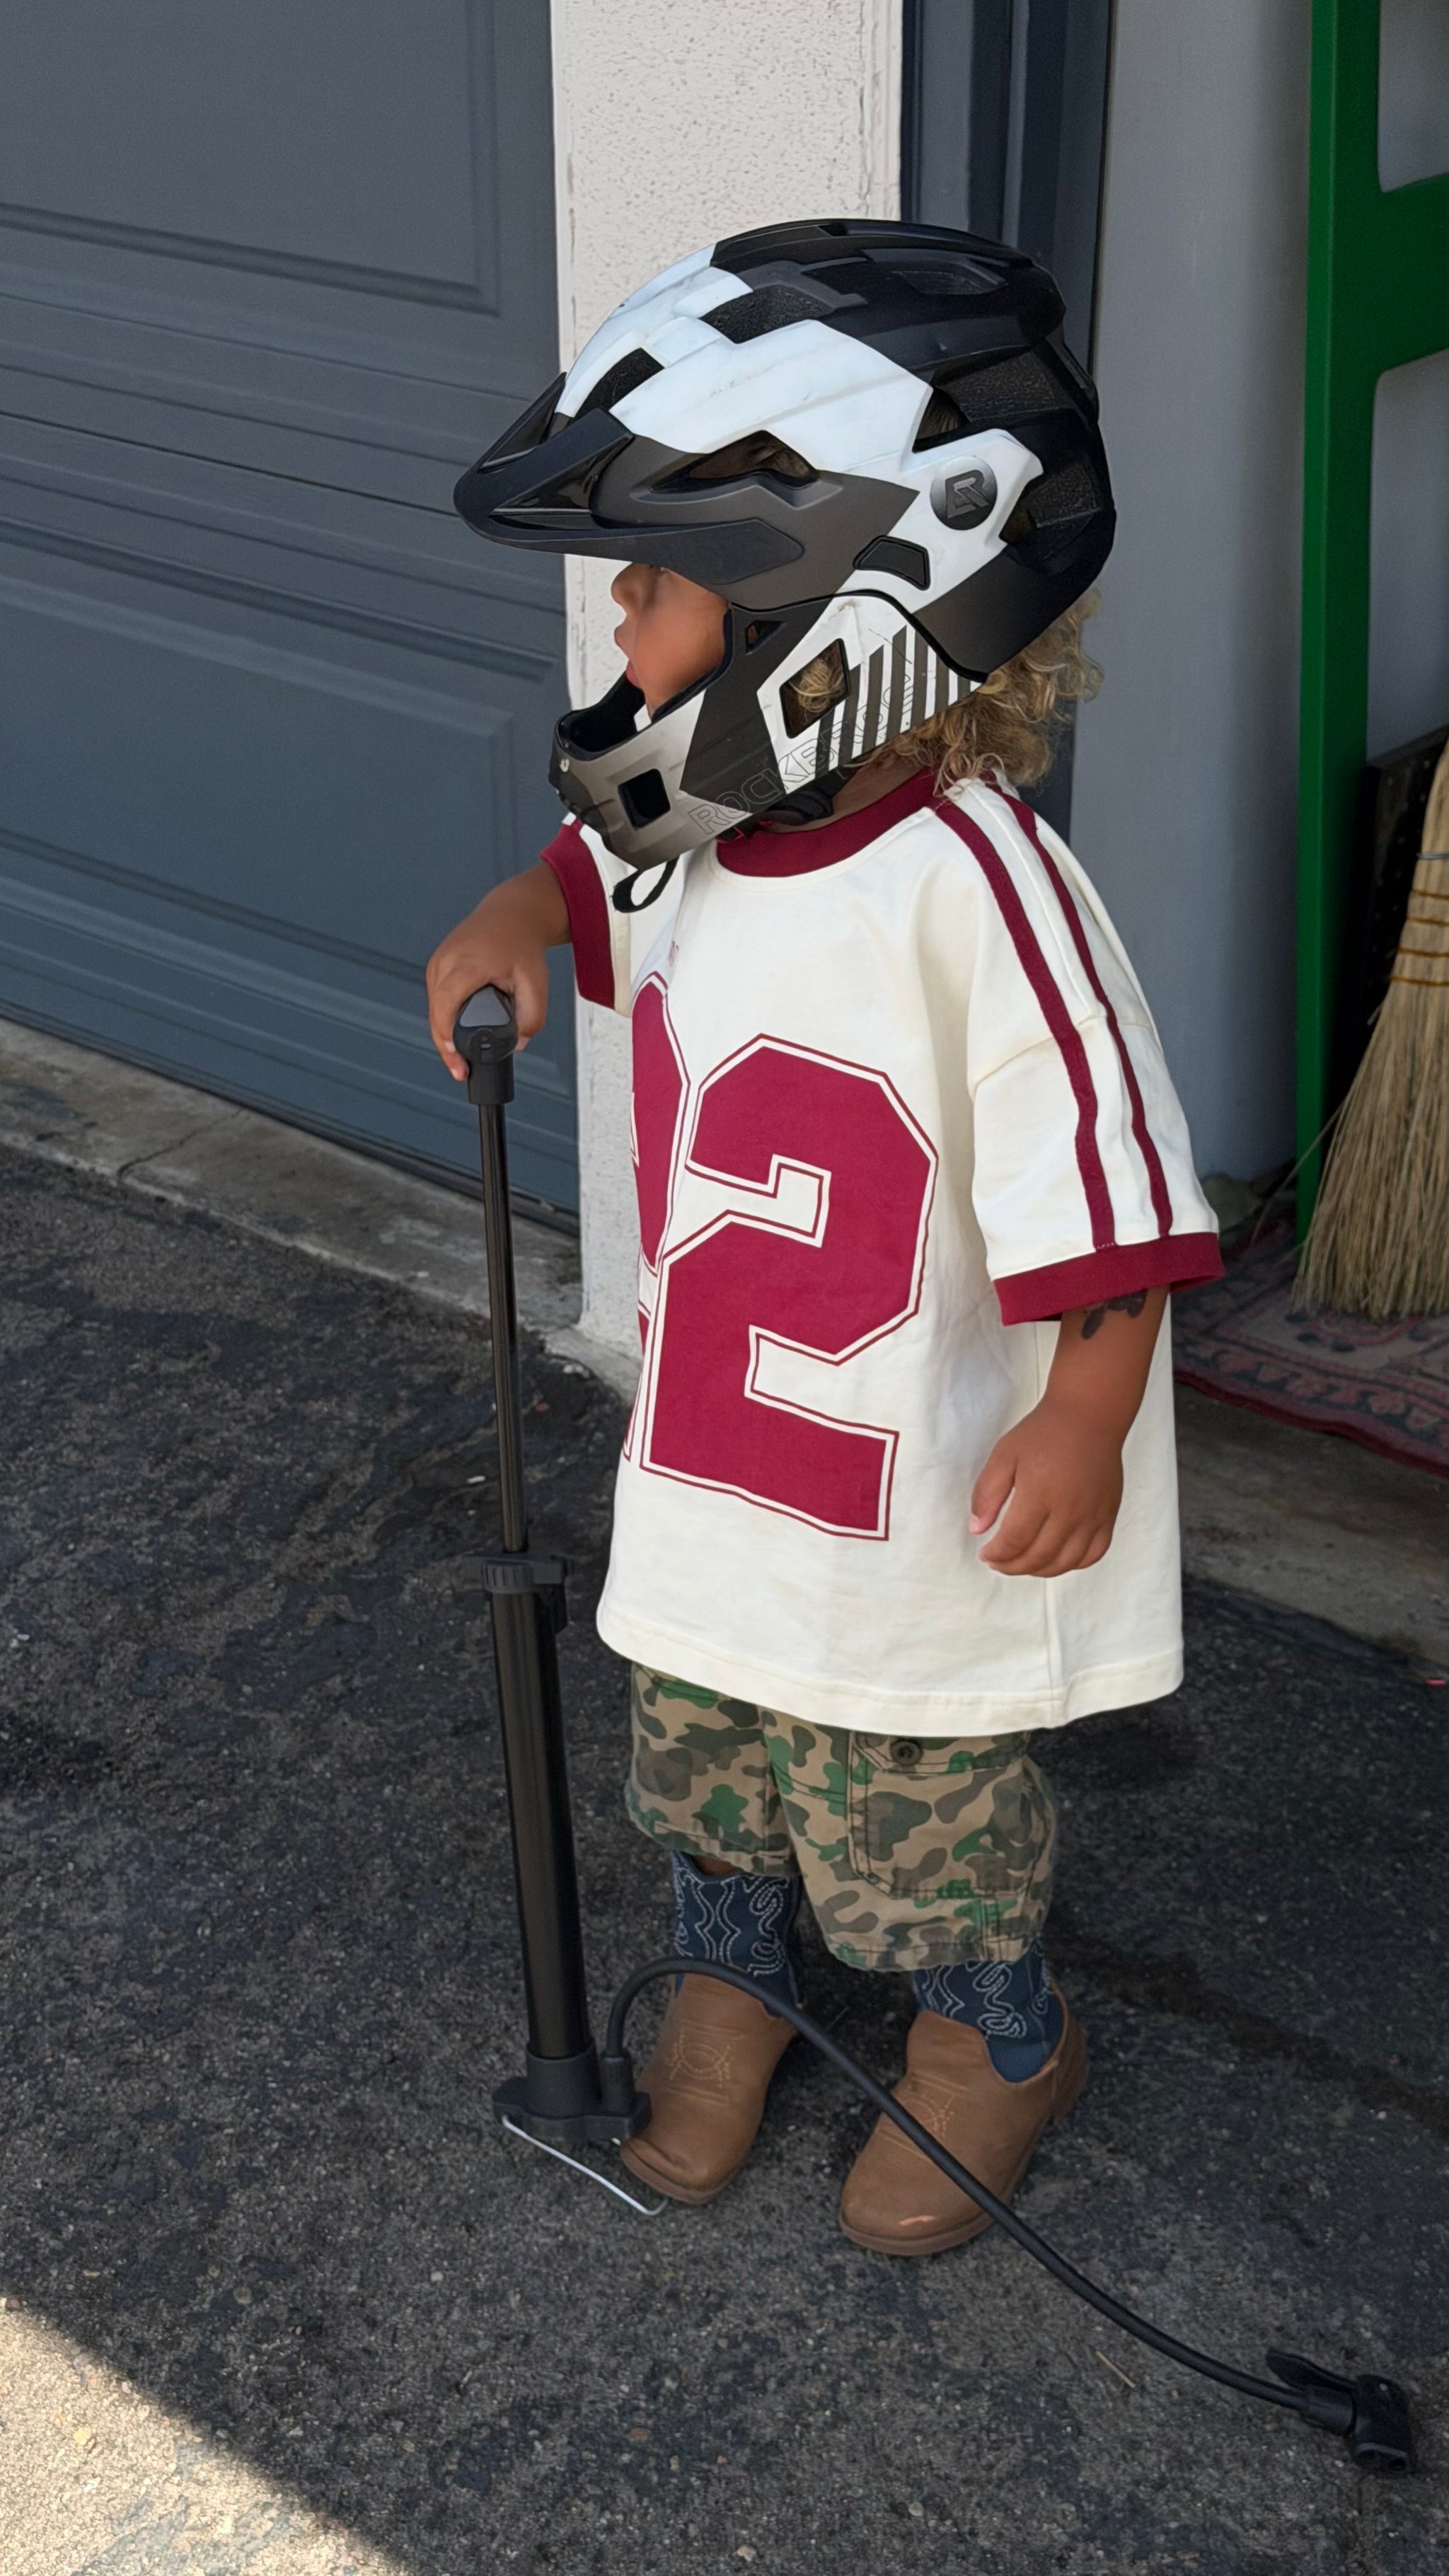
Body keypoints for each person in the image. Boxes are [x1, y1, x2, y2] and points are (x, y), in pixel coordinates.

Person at [427, 222, 1220, 2253]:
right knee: (703, 1753)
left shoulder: (979, 891)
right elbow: (596, 881)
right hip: (723, 1471)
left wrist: (1089, 1408)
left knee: (918, 1810)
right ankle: (736, 1976)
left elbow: (1111, 1185)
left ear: (839, 622)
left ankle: (996, 2032)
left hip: (911, 1500)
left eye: (661, 579)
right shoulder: (697, 830)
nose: (622, 614)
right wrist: (522, 916)